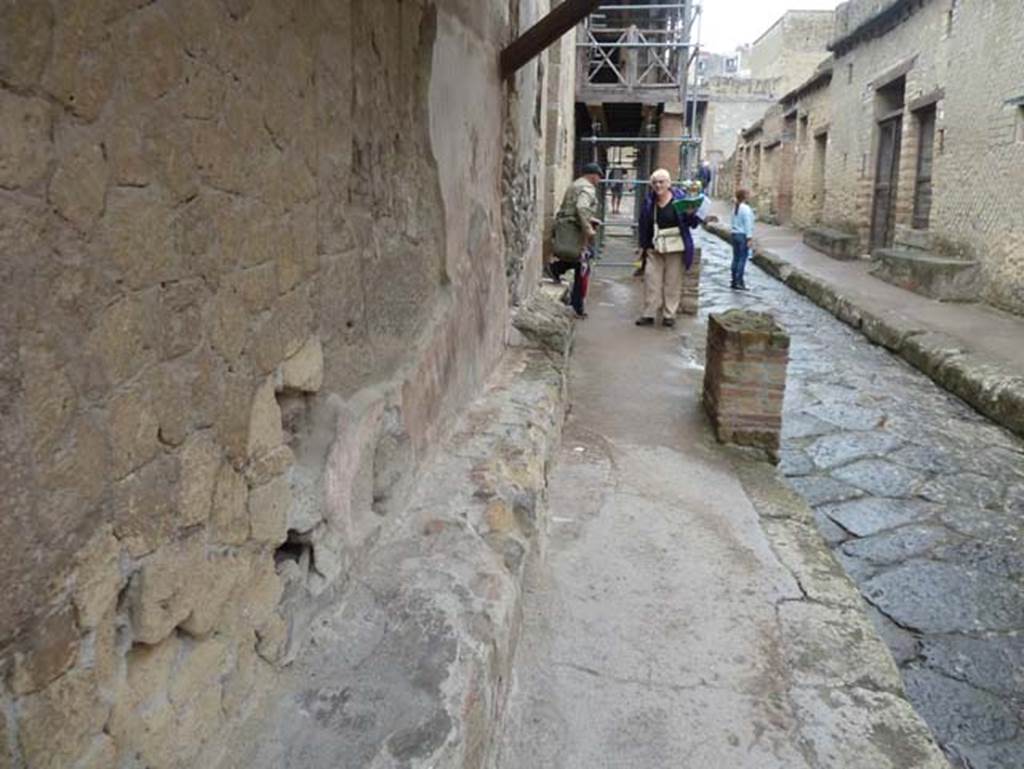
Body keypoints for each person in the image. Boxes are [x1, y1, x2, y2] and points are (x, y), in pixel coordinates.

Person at [635, 168, 704, 328]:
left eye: (661, 182)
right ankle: (649, 314)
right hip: (655, 246)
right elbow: (643, 225)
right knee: (651, 281)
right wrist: (642, 247)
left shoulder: (680, 200)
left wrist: (690, 213)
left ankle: (669, 315)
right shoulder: (649, 202)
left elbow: (693, 224)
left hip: (675, 247)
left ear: (669, 183)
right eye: (655, 182)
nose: (658, 185)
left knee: (672, 282)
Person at [549, 162, 603, 318]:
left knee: (580, 262)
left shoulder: (575, 185)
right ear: (593, 176)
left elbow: (574, 208)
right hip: (574, 231)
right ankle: (577, 304)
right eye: (598, 177)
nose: (599, 181)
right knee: (583, 263)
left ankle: (557, 269)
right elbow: (581, 207)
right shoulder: (587, 188)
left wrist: (590, 219)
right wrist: (588, 228)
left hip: (567, 227)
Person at [730, 188, 755, 290]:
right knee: (742, 259)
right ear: (745, 196)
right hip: (742, 235)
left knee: (735, 258)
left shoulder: (735, 207)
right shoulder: (746, 209)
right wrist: (749, 238)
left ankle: (733, 280)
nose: (750, 196)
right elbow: (748, 224)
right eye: (748, 194)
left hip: (734, 234)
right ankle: (739, 281)